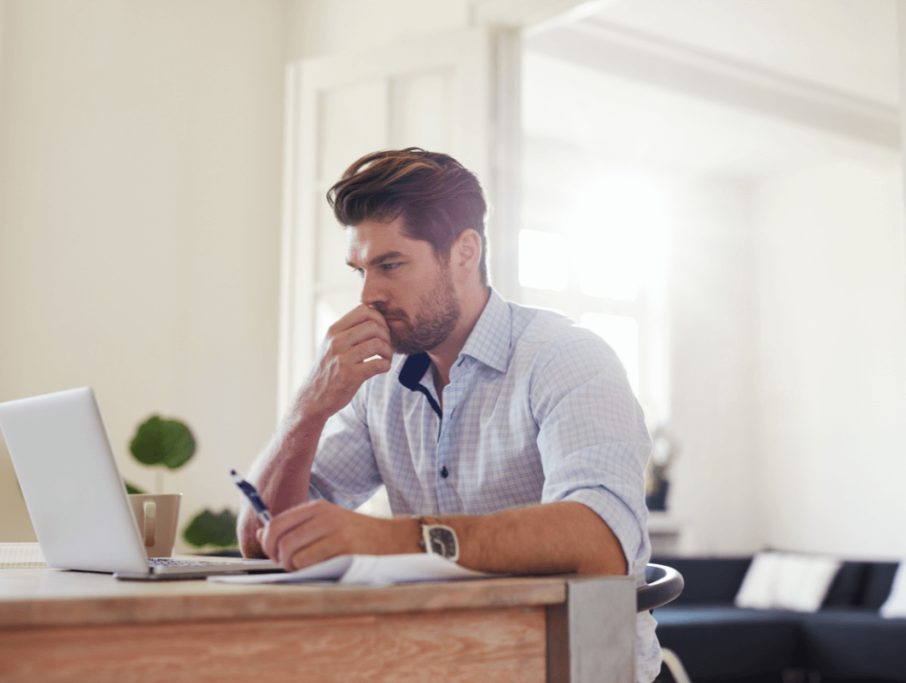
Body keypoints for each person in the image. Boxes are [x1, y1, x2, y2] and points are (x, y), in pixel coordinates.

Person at [237, 148, 660, 682]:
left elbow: (601, 542)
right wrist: (308, 409)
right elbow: (259, 537)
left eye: (390, 265)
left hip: (570, 664)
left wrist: (392, 540)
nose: (368, 295)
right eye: (360, 270)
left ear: (464, 252)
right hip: (439, 662)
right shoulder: (380, 383)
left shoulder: (566, 358)